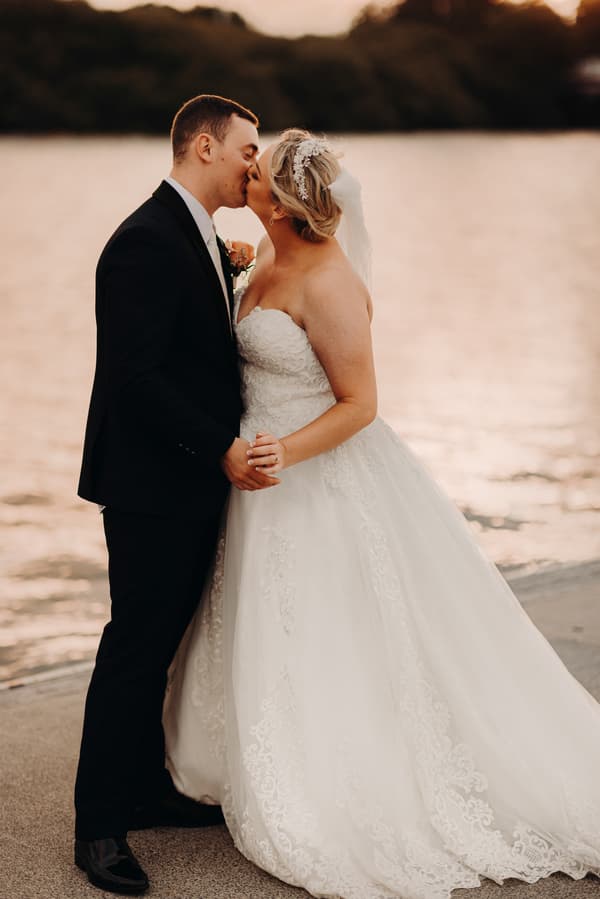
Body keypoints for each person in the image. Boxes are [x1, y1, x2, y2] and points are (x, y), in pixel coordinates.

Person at [164, 128, 600, 899]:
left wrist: (285, 454)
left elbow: (363, 404)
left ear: (285, 202)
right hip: (258, 481)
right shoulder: (263, 253)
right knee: (269, 621)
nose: (248, 174)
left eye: (258, 172)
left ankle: (345, 772)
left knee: (334, 629)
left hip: (311, 472)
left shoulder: (330, 281)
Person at [74, 94, 279, 896]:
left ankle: (144, 784)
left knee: (163, 642)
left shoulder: (194, 235)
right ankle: (97, 826)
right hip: (151, 482)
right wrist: (222, 447)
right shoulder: (142, 242)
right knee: (134, 647)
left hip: (186, 478)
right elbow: (135, 380)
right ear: (202, 145)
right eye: (246, 150)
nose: (254, 165)